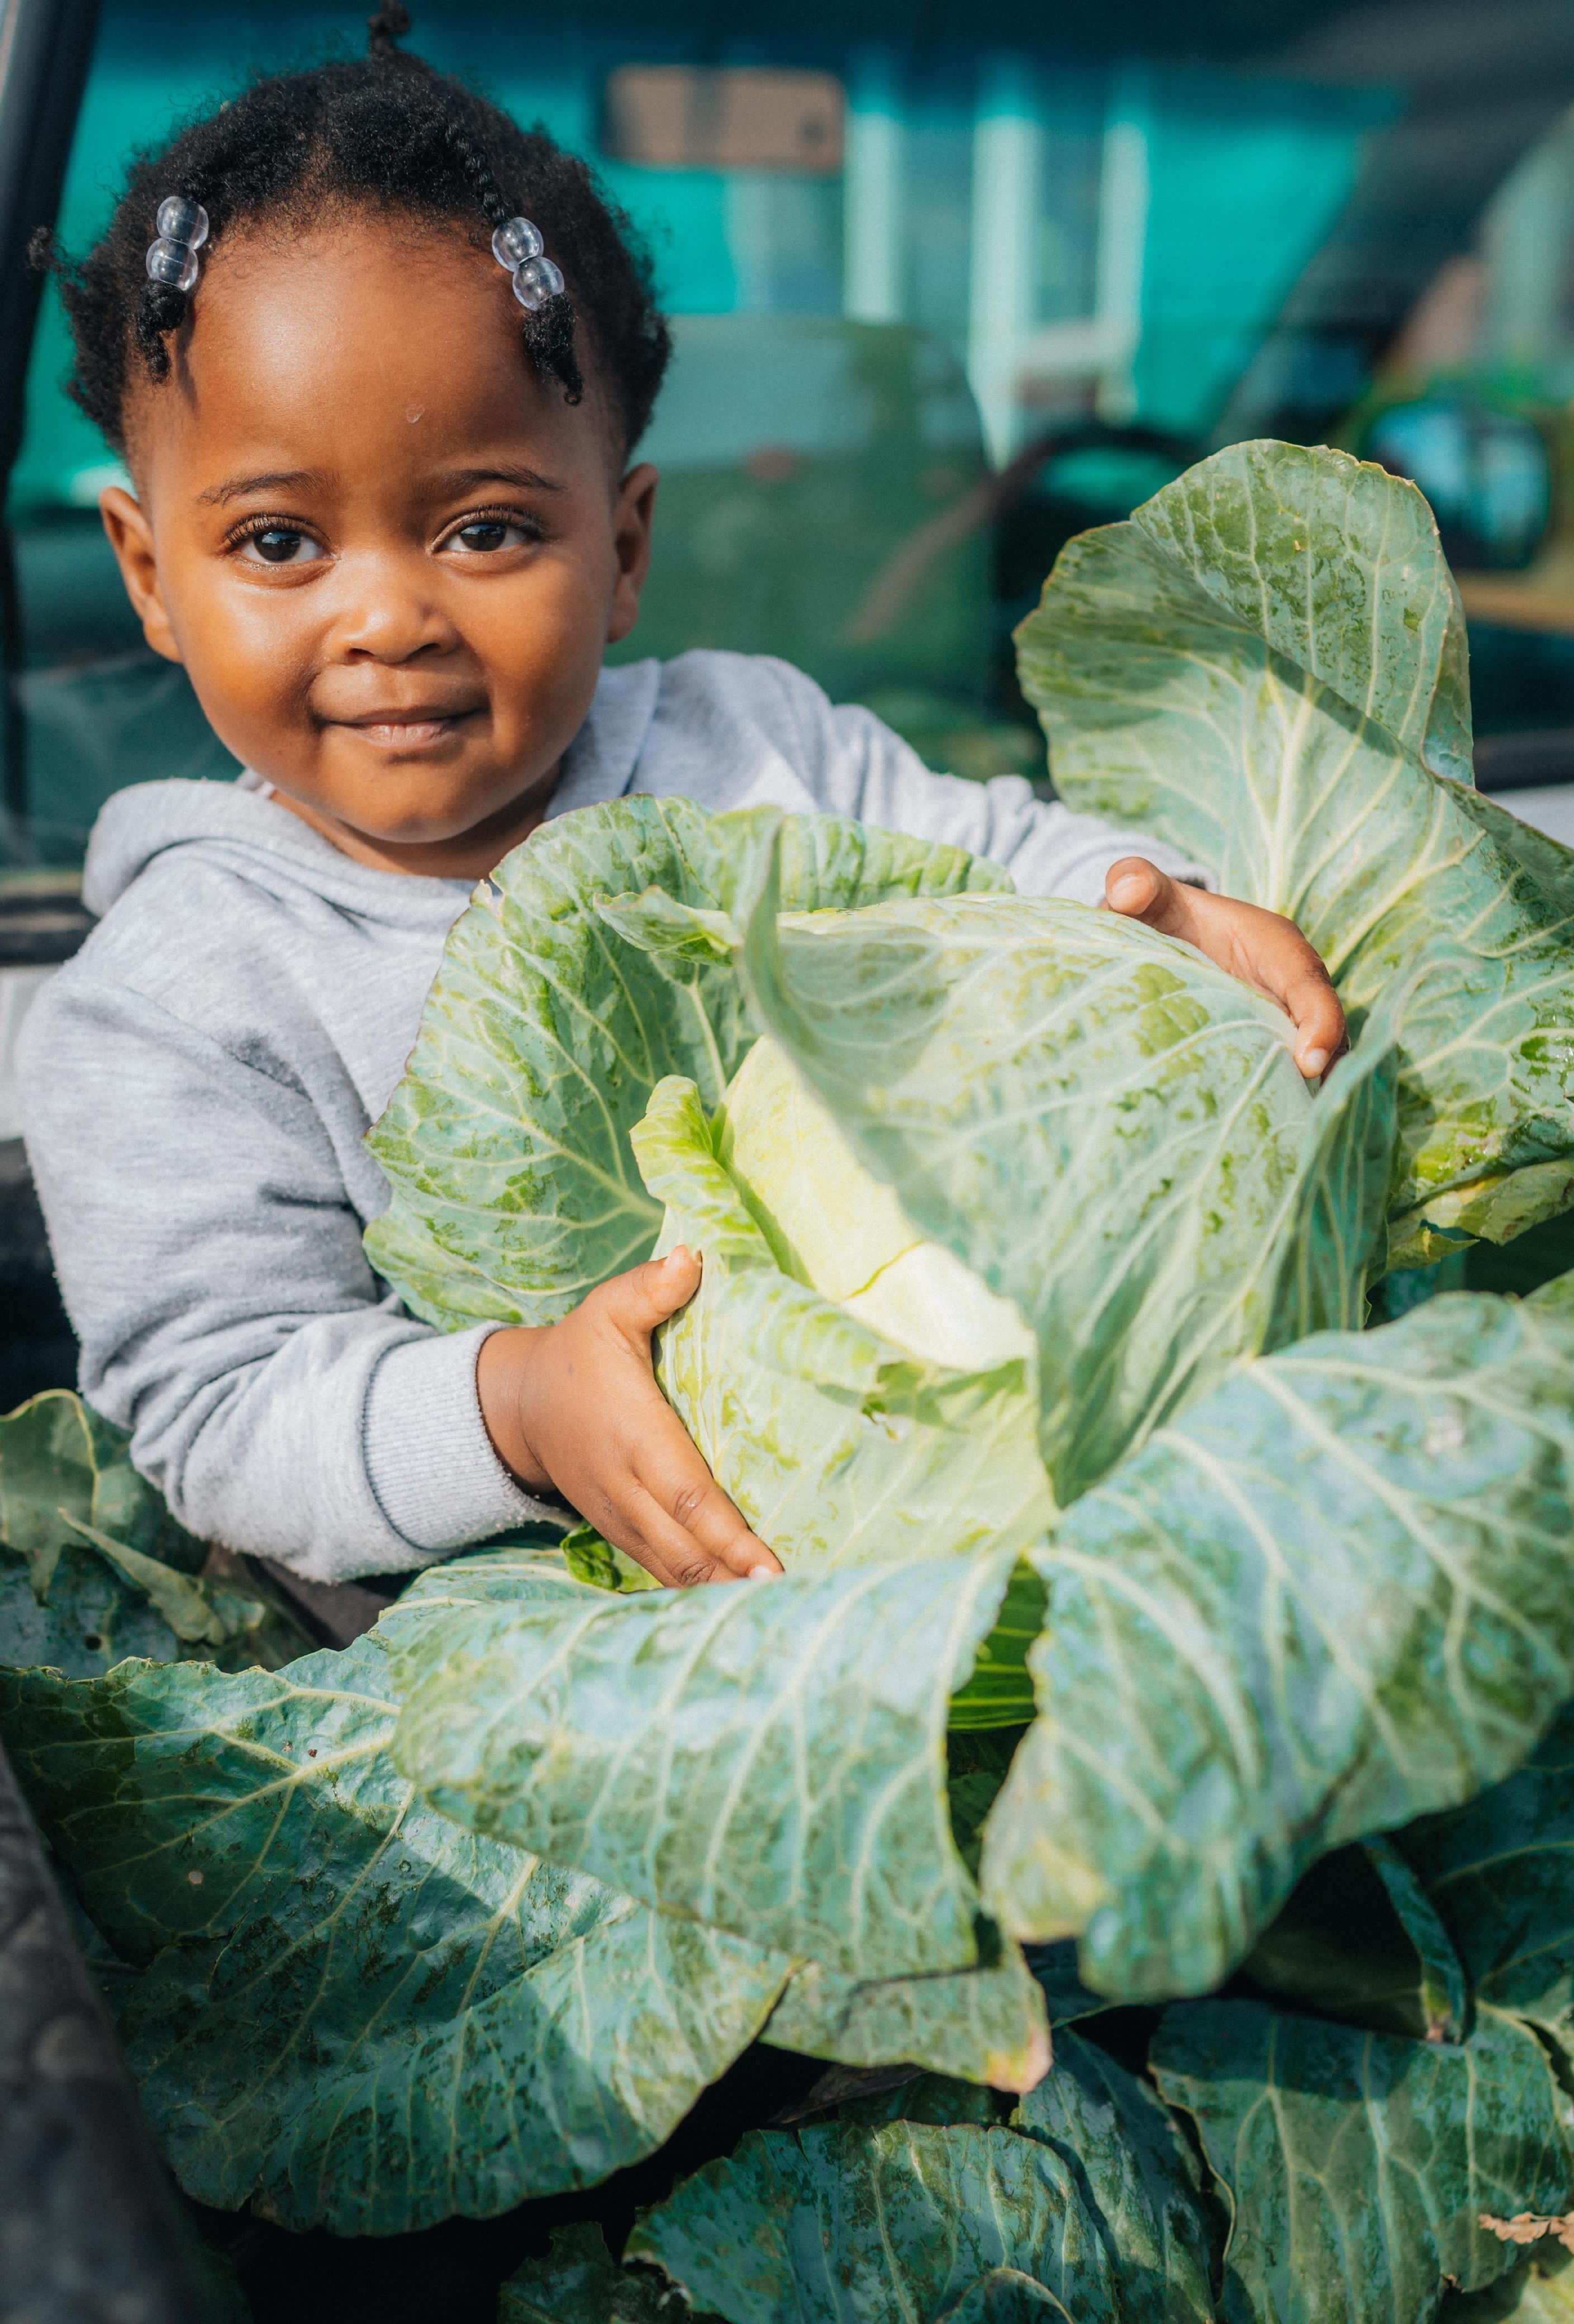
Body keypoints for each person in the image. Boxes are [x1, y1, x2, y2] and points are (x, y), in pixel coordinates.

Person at [20, 9, 1345, 1593]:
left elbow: (1005, 858)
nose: (389, 618)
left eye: (488, 530)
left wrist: (1150, 899)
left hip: (976, 1557)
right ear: (150, 579)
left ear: (627, 548)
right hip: (525, 1681)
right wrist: (509, 1406)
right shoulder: (167, 1004)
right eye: (281, 546)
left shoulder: (764, 753)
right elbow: (220, 1405)